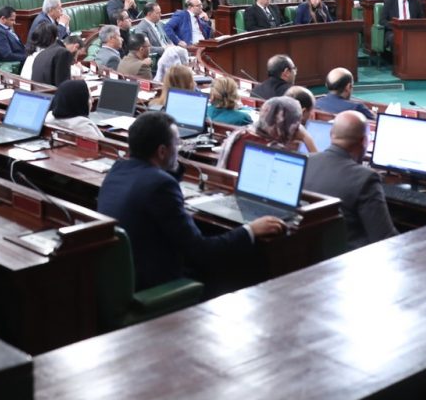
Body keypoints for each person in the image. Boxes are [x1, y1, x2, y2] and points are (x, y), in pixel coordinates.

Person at [98, 112, 283, 291]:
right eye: (177, 144)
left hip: (119, 278)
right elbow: (201, 252)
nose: (180, 148)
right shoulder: (160, 185)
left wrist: (172, 166)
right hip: (152, 282)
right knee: (233, 271)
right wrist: (250, 230)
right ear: (162, 151)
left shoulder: (118, 170)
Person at [304, 111, 398, 249]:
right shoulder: (366, 178)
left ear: (331, 135)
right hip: (350, 261)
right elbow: (384, 239)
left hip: (309, 253)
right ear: (364, 141)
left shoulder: (305, 161)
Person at [217, 96, 316, 171]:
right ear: (288, 124)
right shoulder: (278, 152)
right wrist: (307, 139)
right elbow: (318, 170)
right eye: (296, 123)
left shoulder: (238, 134)